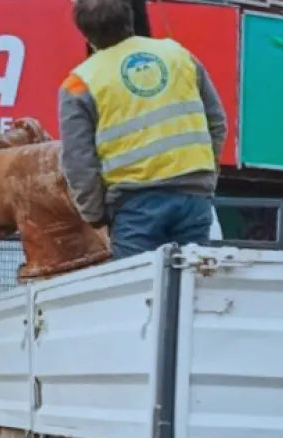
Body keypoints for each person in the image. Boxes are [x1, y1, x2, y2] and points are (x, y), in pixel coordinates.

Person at [58, 0, 228, 259]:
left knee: (139, 293)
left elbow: (78, 162)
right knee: (190, 288)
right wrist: (205, 178)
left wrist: (95, 214)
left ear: (85, 34)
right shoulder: (179, 55)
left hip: (134, 207)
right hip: (194, 199)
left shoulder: (79, 84)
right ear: (129, 19)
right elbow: (216, 122)